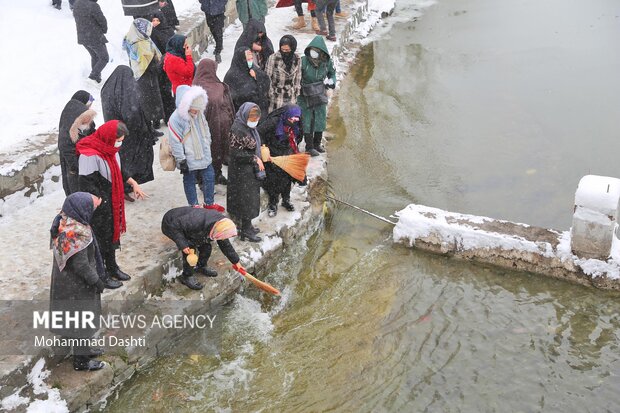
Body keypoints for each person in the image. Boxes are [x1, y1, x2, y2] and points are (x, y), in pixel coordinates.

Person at [77, 120, 148, 288]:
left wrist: (133, 182)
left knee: (112, 235)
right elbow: (87, 184)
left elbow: (118, 169)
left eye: (121, 140)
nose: (120, 144)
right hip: (99, 203)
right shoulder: (89, 154)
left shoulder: (111, 149)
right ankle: (101, 274)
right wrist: (102, 201)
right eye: (118, 140)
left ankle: (112, 267)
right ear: (109, 137)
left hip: (112, 199)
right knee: (101, 239)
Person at [49, 192, 106, 371]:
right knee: (81, 322)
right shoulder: (75, 235)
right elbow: (81, 265)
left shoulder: (65, 221)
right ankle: (81, 361)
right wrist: (97, 281)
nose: (92, 211)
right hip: (76, 287)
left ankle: (85, 350)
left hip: (67, 284)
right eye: (90, 207)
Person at [101, 66, 158, 199]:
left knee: (121, 160)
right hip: (127, 132)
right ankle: (127, 186)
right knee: (130, 161)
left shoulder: (108, 88)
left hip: (114, 131)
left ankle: (124, 186)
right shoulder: (125, 90)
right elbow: (131, 113)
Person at [168, 85, 224, 210]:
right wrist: (181, 159)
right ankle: (194, 205)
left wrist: (208, 142)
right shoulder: (175, 119)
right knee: (189, 180)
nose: (196, 112)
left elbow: (205, 128)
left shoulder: (199, 114)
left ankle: (209, 203)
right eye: (194, 110)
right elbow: (175, 141)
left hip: (203, 153)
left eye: (198, 110)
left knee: (209, 177)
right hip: (188, 157)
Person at [161, 207, 242, 290]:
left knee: (206, 247)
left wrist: (236, 261)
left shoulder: (221, 226)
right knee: (190, 252)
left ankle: (201, 266)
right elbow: (174, 226)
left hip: (192, 226)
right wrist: (183, 244)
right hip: (170, 223)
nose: (223, 238)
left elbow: (225, 244)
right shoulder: (195, 222)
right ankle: (186, 276)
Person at [193, 59, 235, 185]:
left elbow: (228, 104)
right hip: (206, 128)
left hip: (221, 127)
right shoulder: (196, 89)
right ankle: (202, 180)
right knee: (207, 153)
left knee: (219, 151)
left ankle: (217, 174)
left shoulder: (218, 85)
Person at [257, 104, 303, 217]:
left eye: (297, 118)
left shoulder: (297, 123)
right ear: (286, 115)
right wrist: (263, 146)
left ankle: (286, 200)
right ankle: (273, 204)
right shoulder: (274, 122)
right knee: (274, 180)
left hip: (287, 152)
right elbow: (258, 133)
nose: (295, 120)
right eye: (292, 118)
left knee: (288, 177)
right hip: (272, 153)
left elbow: (299, 137)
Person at [227, 103, 264, 242]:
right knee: (245, 200)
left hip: (248, 169)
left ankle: (248, 226)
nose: (254, 122)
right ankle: (246, 230)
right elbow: (235, 153)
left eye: (256, 120)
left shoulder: (249, 128)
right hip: (240, 171)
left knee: (251, 198)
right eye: (252, 119)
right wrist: (254, 157)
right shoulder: (237, 129)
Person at [123, 18, 165, 130]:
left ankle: (148, 120)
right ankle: (155, 120)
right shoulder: (142, 44)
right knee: (153, 98)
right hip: (147, 74)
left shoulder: (131, 37)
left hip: (138, 73)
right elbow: (149, 62)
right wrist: (159, 65)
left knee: (144, 99)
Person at [298, 36, 336, 156]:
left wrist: (331, 83)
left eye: (316, 51)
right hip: (305, 94)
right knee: (307, 119)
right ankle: (309, 147)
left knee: (320, 118)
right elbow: (296, 76)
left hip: (320, 92)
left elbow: (332, 74)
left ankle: (317, 144)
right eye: (311, 50)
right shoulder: (303, 61)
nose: (313, 53)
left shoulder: (326, 62)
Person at [58, 91, 96, 196]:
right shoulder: (76, 117)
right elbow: (64, 144)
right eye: (88, 105)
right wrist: (76, 166)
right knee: (78, 191)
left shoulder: (74, 113)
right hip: (75, 163)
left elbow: (92, 132)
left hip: (80, 161)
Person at [224, 47, 271, 115]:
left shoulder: (254, 69)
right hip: (242, 113)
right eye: (248, 59)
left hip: (259, 112)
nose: (250, 62)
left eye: (251, 59)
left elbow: (266, 82)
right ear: (241, 60)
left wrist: (257, 76)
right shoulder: (231, 76)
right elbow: (230, 98)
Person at [72, 0, 109, 83]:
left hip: (83, 37)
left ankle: (96, 79)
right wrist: (103, 30)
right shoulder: (93, 6)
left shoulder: (77, 3)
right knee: (104, 58)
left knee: (95, 56)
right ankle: (93, 76)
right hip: (94, 36)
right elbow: (102, 20)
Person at [150, 11, 177, 122]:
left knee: (165, 91)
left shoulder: (168, 31)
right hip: (158, 66)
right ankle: (163, 116)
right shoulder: (151, 33)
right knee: (160, 92)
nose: (155, 23)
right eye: (153, 20)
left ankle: (168, 116)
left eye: (157, 20)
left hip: (166, 65)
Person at [265, 35, 302, 113]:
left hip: (291, 95)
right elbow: (267, 77)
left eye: (287, 50)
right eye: (283, 50)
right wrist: (271, 93)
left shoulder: (297, 59)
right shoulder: (273, 58)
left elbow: (298, 76)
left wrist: (296, 91)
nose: (285, 52)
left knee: (289, 119)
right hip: (276, 95)